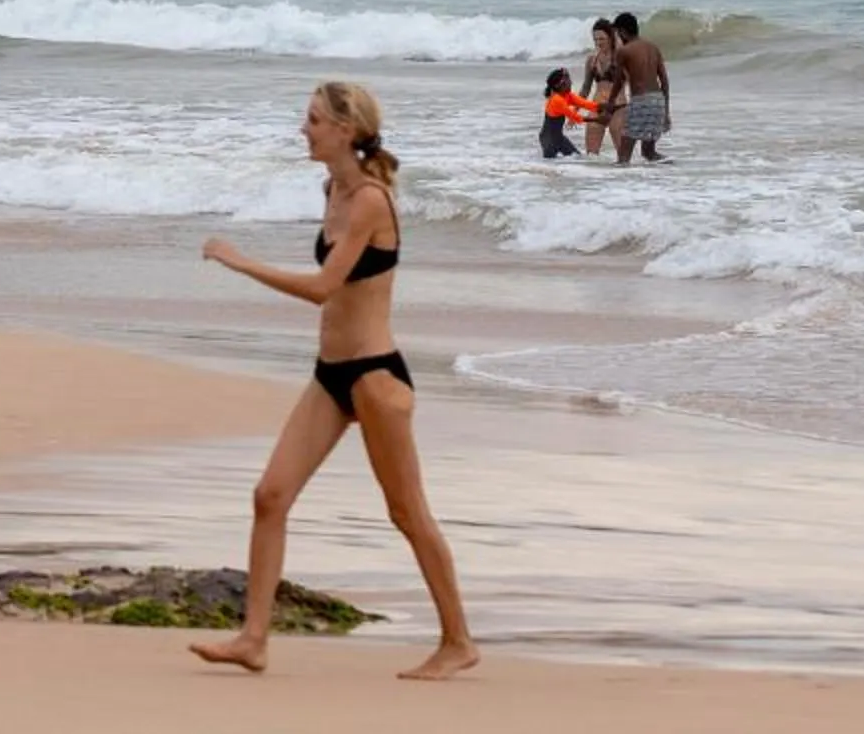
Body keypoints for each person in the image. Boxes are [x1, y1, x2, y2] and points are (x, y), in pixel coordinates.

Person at [193, 82, 475, 681]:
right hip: (330, 375)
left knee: (407, 512)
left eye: (314, 120)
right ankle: (253, 639)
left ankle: (458, 641)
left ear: (346, 130)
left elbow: (324, 288)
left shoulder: (371, 199)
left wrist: (239, 260)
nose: (305, 129)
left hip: (376, 377)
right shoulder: (333, 190)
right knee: (270, 496)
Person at [613, 11, 671, 163]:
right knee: (649, 153)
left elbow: (618, 81)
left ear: (622, 31)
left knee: (623, 155)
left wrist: (610, 102)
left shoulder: (624, 51)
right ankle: (671, 168)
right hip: (658, 101)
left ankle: (621, 186)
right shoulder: (653, 48)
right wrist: (666, 111)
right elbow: (664, 81)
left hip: (641, 101)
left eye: (618, 34)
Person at [579, 18, 624, 157]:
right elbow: (585, 88)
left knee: (623, 156)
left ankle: (628, 178)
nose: (598, 43)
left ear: (611, 37)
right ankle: (595, 178)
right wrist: (573, 111)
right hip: (597, 107)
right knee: (591, 156)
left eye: (602, 39)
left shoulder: (622, 57)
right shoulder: (592, 60)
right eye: (596, 39)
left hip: (619, 107)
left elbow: (637, 83)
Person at [538, 68, 588, 159]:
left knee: (578, 158)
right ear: (559, 85)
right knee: (549, 165)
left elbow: (584, 104)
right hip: (548, 139)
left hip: (557, 138)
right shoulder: (557, 100)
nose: (571, 83)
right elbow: (576, 117)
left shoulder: (560, 96)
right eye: (567, 80)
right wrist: (598, 120)